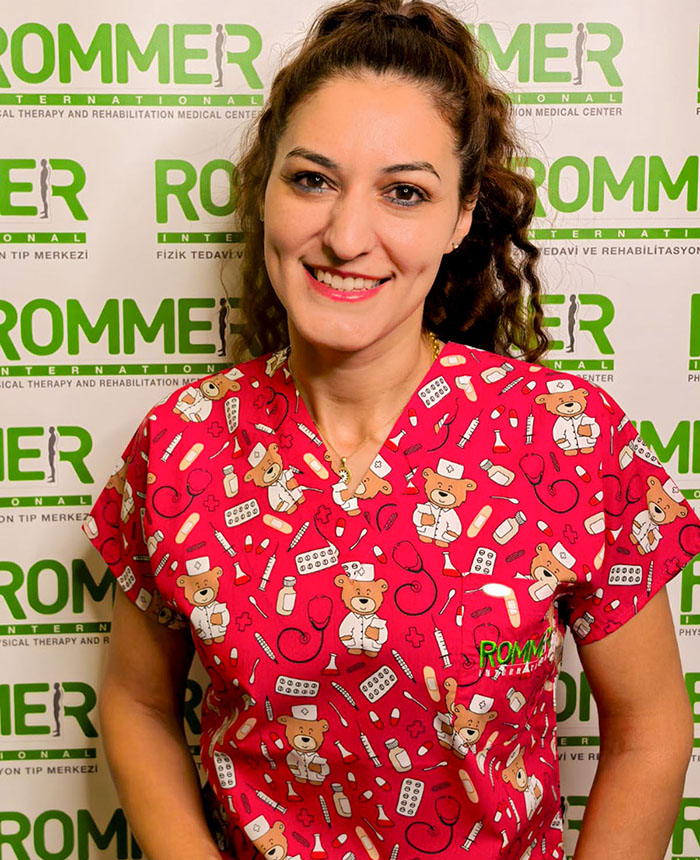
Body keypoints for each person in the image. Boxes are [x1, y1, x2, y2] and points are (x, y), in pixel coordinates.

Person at [83, 2, 699, 859]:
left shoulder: (567, 438)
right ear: (265, 190)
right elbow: (138, 705)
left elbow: (650, 730)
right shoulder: (182, 443)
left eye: (404, 192)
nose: (345, 237)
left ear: (461, 215)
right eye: (312, 180)